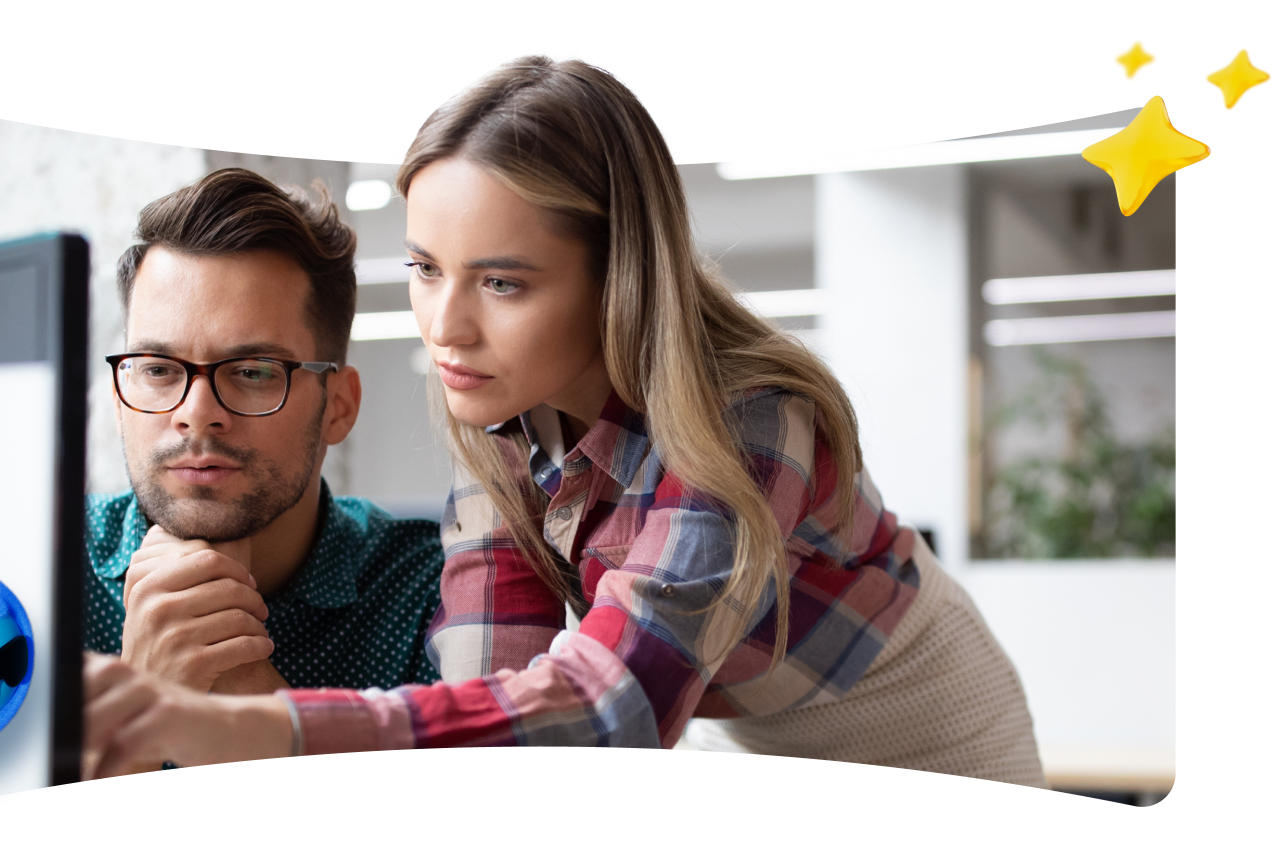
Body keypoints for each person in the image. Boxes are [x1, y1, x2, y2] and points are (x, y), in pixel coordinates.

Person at [82, 48, 1045, 787]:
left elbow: (608, 712)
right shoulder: (500, 423)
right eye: (425, 269)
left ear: (615, 276)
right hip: (761, 731)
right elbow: (479, 701)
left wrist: (248, 725)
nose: (445, 328)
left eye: (502, 281)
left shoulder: (748, 423)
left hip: (934, 742)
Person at [81, 168, 444, 775]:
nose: (197, 416)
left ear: (340, 406)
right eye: (159, 369)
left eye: (253, 372)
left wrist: (241, 686)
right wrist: (137, 721)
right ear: (120, 396)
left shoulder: (430, 597)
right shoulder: (38, 579)